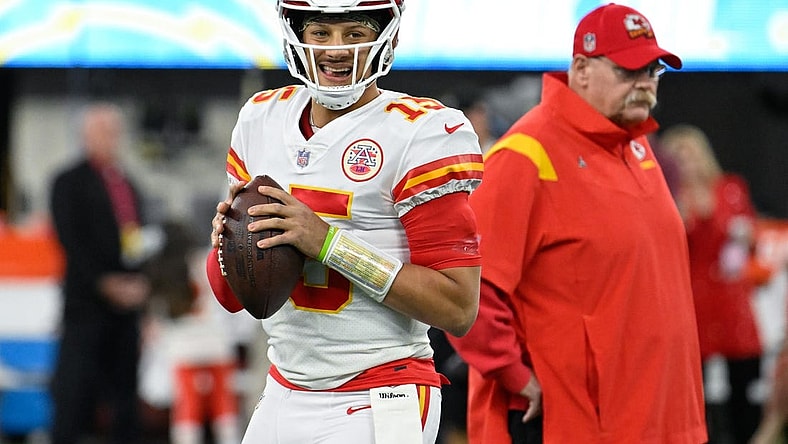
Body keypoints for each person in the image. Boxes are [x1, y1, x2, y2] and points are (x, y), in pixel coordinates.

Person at [205, 1, 484, 443]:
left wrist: (328, 244)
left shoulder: (420, 131)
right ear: (298, 35)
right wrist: (226, 246)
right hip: (284, 388)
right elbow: (233, 298)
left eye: (354, 33)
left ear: (385, 37)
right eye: (321, 33)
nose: (337, 50)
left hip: (383, 391)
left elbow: (458, 309)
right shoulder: (262, 119)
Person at [447, 4, 708, 443]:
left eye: (653, 71)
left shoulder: (638, 148)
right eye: (630, 70)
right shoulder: (526, 155)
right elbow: (466, 289)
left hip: (659, 415)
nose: (645, 84)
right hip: (573, 423)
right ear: (582, 69)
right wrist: (512, 374)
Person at [49, 102, 150, 444]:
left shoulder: (128, 183)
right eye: (102, 131)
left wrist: (139, 282)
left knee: (125, 400)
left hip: (126, 310)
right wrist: (104, 283)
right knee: (74, 396)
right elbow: (70, 240)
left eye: (113, 131)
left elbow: (138, 238)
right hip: (85, 306)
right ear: (85, 135)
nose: (110, 139)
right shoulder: (68, 182)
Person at [660, 124, 765, 444]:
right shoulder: (665, 196)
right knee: (692, 387)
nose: (687, 163)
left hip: (730, 300)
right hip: (689, 299)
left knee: (744, 382)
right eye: (678, 156)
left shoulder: (730, 187)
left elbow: (750, 237)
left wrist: (746, 235)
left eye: (691, 154)